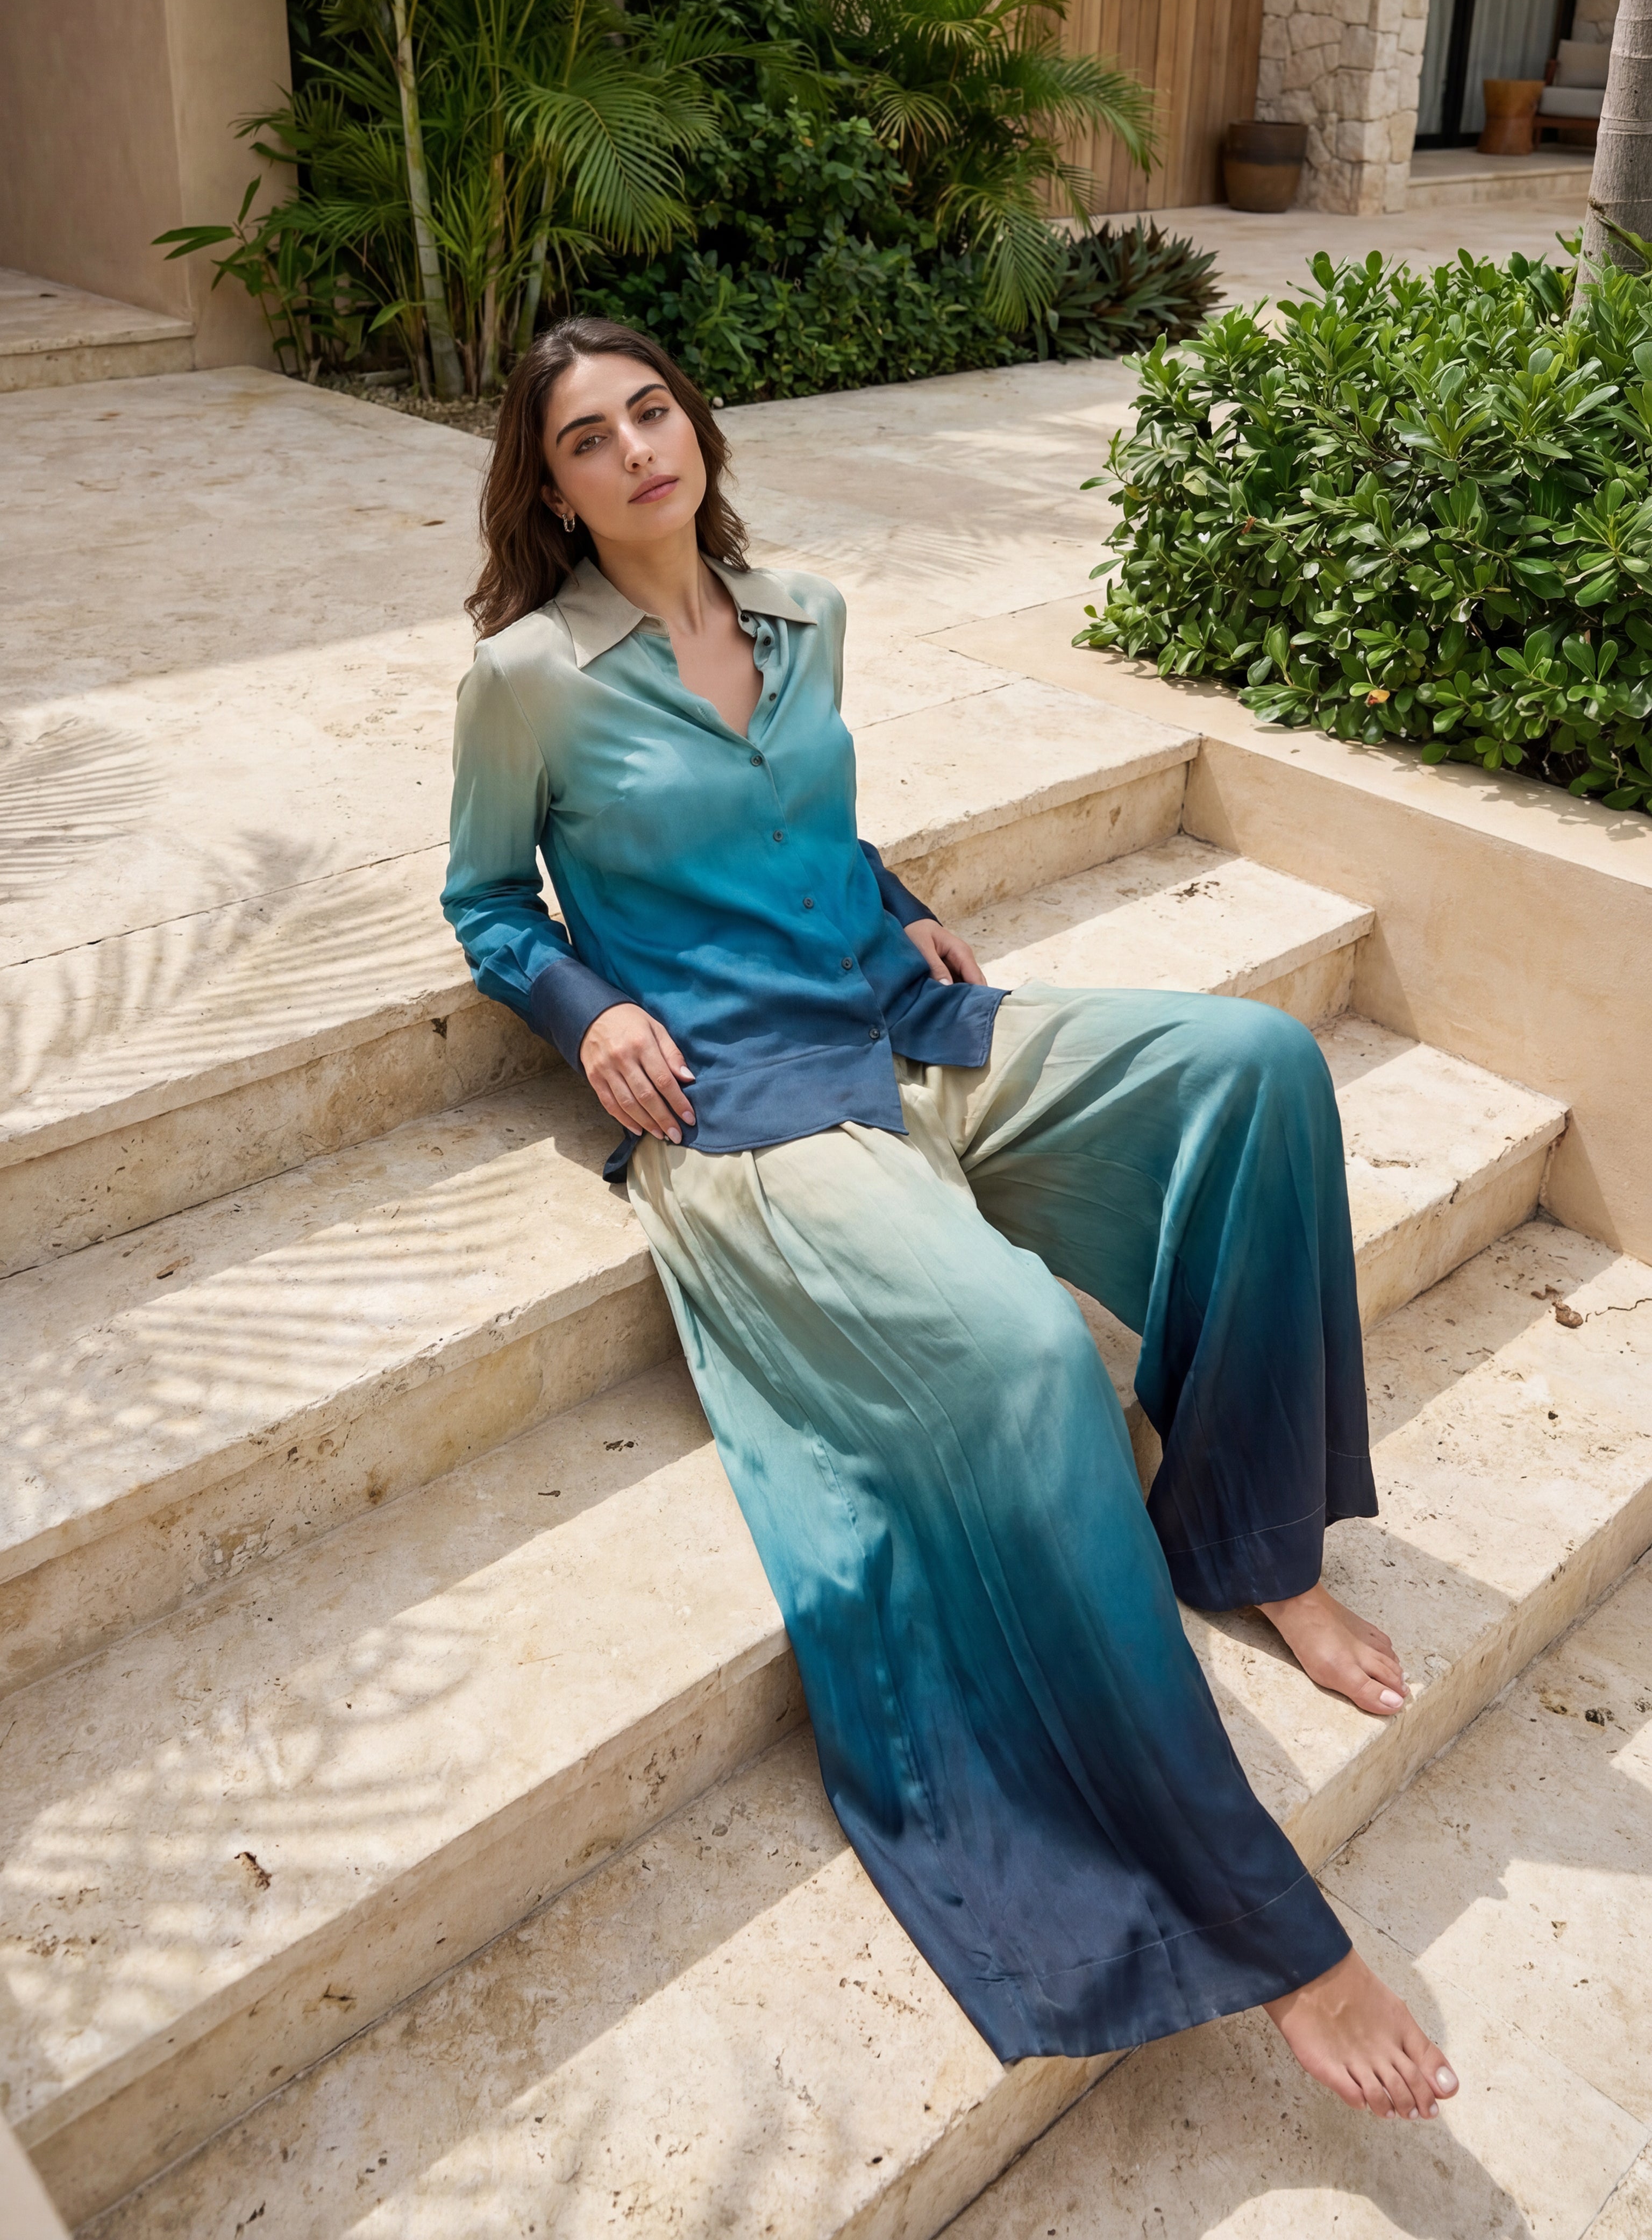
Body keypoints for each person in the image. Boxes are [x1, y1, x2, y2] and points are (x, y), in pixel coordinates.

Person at [443, 314, 1459, 2119]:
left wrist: (894, 892)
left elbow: (806, 824)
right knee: (1024, 1356)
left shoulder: (806, 614)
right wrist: (585, 1008)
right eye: (588, 441)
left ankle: (1250, 1542)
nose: (635, 450)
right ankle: (1261, 1925)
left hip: (903, 1027)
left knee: (1252, 1065)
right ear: (556, 493)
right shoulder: (529, 678)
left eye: (652, 411)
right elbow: (487, 900)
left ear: (699, 424)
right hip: (750, 1114)